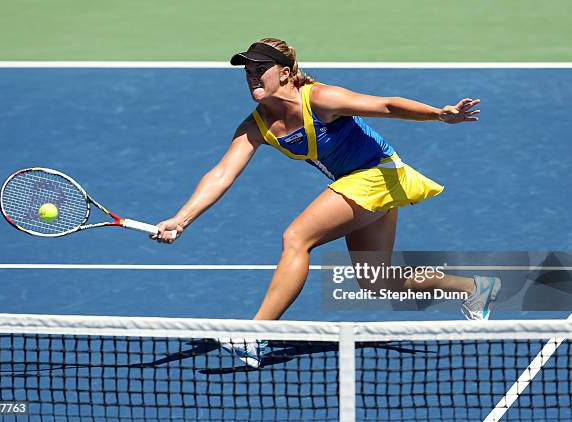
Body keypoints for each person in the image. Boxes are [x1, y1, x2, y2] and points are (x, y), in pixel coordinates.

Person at [152, 38, 501, 367]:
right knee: (375, 281)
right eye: (248, 71)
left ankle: (256, 335)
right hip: (361, 184)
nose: (252, 76)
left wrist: (440, 115)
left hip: (379, 173)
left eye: (261, 69)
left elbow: (386, 105)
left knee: (296, 238)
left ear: (285, 73)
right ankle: (474, 288)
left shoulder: (320, 98)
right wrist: (181, 219)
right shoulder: (256, 125)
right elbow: (222, 173)